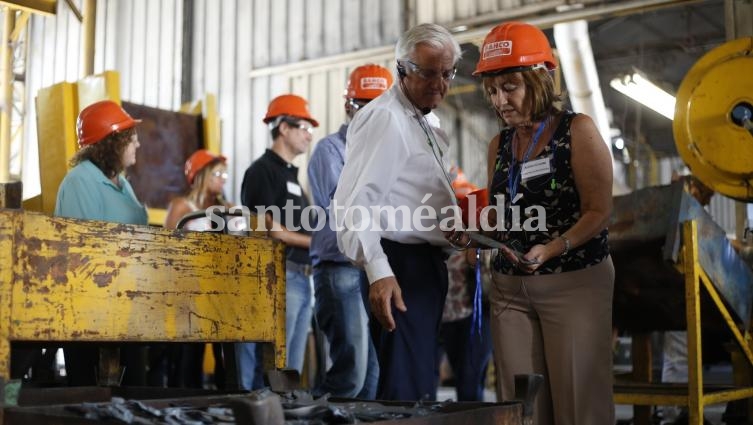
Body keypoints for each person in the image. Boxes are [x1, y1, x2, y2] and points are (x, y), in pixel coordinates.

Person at [447, 22, 615, 424]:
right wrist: (473, 240)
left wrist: (553, 248)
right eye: (491, 90)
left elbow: (598, 210)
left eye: (509, 87)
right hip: (511, 289)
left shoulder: (578, 131)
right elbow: (503, 216)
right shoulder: (499, 145)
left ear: (539, 81)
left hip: (572, 283)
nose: (498, 100)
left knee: (579, 404)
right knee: (521, 404)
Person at [333, 23, 462, 401]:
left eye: (447, 72)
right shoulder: (386, 118)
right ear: (402, 69)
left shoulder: (421, 120)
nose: (439, 83)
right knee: (403, 392)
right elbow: (357, 203)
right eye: (428, 72)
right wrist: (378, 272)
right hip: (398, 268)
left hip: (421, 267)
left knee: (418, 387)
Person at [307, 64, 393, 399]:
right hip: (338, 268)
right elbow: (345, 208)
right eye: (365, 108)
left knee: (370, 378)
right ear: (348, 107)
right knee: (350, 376)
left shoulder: (382, 153)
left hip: (367, 271)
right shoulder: (330, 150)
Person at [54, 99, 148, 386]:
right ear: (112, 143)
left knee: (133, 392)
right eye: (131, 139)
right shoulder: (79, 182)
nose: (138, 145)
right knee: (92, 397)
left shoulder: (122, 183)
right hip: (91, 313)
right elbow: (85, 251)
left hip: (128, 307)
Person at [240, 94, 318, 384]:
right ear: (283, 128)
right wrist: (317, 244)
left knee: (289, 374)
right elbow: (268, 228)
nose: (309, 135)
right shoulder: (262, 171)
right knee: (274, 369)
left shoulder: (290, 176)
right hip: (279, 278)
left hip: (300, 277)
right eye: (304, 127)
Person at [162, 149, 232, 388]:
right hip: (189, 293)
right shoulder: (182, 206)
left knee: (228, 359)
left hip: (222, 293)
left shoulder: (228, 208)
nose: (223, 178)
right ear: (201, 175)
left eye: (225, 174)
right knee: (187, 359)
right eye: (218, 173)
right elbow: (166, 249)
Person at [436, 172, 493, 402]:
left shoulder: (480, 238)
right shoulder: (440, 238)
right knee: (463, 378)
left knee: (470, 380)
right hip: (448, 319)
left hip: (475, 317)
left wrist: (477, 243)